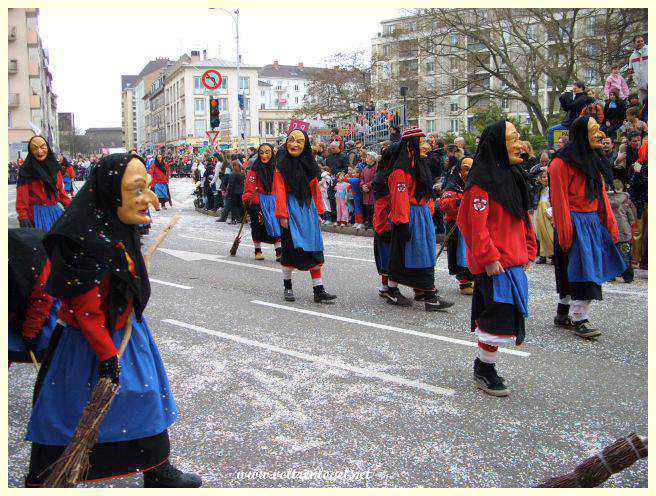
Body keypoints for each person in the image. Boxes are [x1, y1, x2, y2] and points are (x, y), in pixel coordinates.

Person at [25, 153, 201, 487]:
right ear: (109, 193)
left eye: (147, 187)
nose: (149, 198)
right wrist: (107, 358)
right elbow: (88, 311)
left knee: (146, 398)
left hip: (127, 334)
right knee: (72, 413)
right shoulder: (84, 243)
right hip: (88, 346)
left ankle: (157, 468)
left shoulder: (117, 227)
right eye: (137, 190)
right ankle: (50, 477)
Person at [457, 120, 537, 397]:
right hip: (495, 265)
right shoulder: (480, 185)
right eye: (513, 139)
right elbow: (474, 227)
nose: (519, 144)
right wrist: (489, 258)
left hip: (513, 261)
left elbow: (522, 216)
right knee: (496, 318)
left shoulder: (514, 176)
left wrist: (529, 247)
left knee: (507, 317)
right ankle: (484, 369)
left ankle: (486, 365)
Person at [549, 116, 626, 339]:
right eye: (594, 130)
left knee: (585, 269)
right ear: (582, 134)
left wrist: (610, 225)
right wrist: (565, 234)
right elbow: (560, 201)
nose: (599, 133)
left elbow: (601, 196)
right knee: (575, 270)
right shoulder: (560, 164)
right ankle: (579, 317)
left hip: (590, 221)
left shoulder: (592, 160)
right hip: (573, 222)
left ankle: (564, 313)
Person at [376, 127, 454, 311]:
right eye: (419, 142)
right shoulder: (401, 172)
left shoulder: (417, 165)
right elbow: (400, 198)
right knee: (407, 255)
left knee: (421, 254)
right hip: (410, 216)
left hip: (421, 215)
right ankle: (409, 293)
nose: (424, 145)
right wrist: (402, 223)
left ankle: (426, 294)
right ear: (411, 146)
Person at [273, 130, 336, 303]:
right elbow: (278, 190)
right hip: (290, 208)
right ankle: (288, 288)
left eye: (300, 141)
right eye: (292, 140)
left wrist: (319, 210)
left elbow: (314, 188)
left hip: (308, 209)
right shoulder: (281, 164)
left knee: (314, 249)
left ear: (305, 144)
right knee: (289, 249)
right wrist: (282, 214)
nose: (295, 144)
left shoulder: (310, 163)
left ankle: (318, 290)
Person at [8, 228, 59, 365]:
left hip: (44, 302)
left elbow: (42, 300)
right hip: (21, 295)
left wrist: (30, 333)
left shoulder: (32, 263)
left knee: (49, 346)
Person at [16, 136, 71, 232]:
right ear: (31, 151)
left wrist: (70, 207)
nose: (40, 151)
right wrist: (23, 217)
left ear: (47, 148)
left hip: (55, 212)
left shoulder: (54, 168)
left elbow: (61, 192)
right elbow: (22, 197)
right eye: (35, 148)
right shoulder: (26, 170)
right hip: (36, 215)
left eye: (42, 147)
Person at [438, 157, 474, 295]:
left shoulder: (477, 184)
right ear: (459, 170)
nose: (469, 172)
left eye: (472, 168)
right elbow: (444, 204)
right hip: (457, 225)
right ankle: (464, 281)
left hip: (474, 225)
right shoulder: (452, 186)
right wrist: (461, 201)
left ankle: (475, 278)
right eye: (466, 168)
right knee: (461, 253)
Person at [242, 143, 282, 261]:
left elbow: (280, 185)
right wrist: (250, 200)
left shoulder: (276, 168)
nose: (264, 155)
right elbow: (250, 186)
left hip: (273, 201)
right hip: (258, 201)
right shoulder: (254, 168)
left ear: (272, 153)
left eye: (267, 152)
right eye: (262, 152)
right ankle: (257, 250)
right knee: (257, 226)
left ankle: (279, 252)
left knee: (275, 225)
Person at [608, 179, 636, 283]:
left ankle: (611, 275)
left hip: (611, 231)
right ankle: (628, 276)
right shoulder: (626, 200)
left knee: (611, 253)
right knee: (625, 253)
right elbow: (631, 219)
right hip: (624, 232)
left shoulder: (606, 200)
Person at [548, 82, 592, 148]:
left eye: (575, 88)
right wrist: (562, 98)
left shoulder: (582, 98)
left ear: (580, 88)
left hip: (572, 123)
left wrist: (567, 96)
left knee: (552, 130)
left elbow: (572, 106)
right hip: (570, 122)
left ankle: (552, 149)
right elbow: (566, 108)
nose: (573, 89)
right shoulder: (578, 97)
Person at [533, 169, 554, 264]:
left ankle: (553, 254)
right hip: (539, 213)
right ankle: (543, 255)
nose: (545, 179)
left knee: (550, 233)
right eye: (543, 177)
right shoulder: (539, 189)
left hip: (548, 213)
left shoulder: (552, 188)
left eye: (547, 177)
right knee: (540, 233)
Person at [360, 152, 377, 229]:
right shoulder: (365, 168)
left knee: (373, 208)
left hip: (372, 191)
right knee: (367, 207)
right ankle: (368, 222)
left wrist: (368, 185)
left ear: (372, 159)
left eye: (368, 158)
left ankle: (373, 223)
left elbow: (375, 179)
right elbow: (362, 178)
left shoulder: (376, 168)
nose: (366, 159)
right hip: (366, 191)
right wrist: (363, 185)